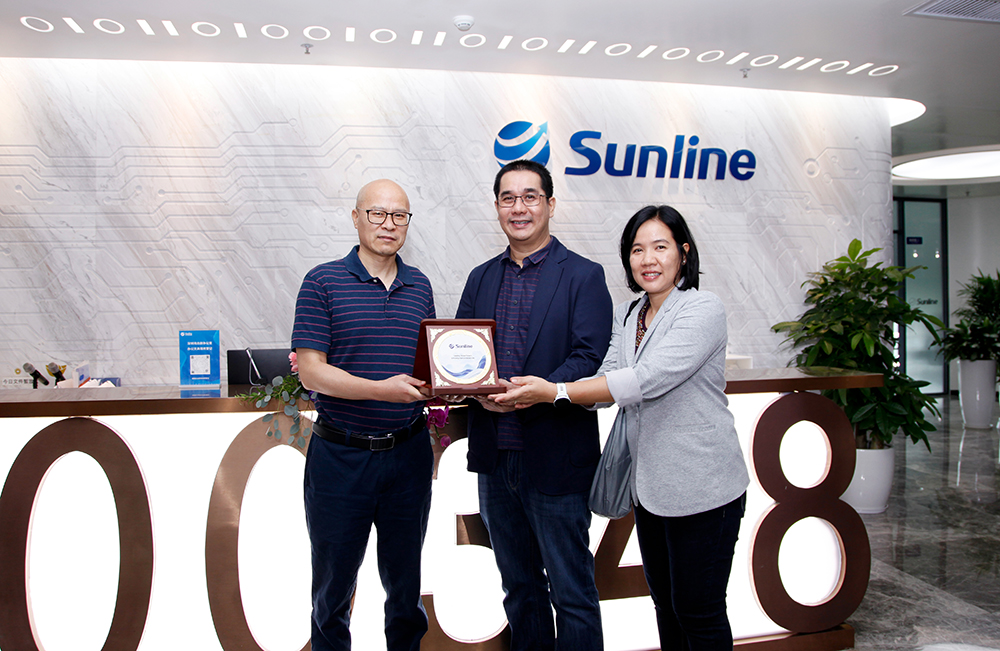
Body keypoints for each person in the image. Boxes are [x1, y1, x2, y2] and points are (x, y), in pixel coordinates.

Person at [496, 205, 750, 651]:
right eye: (637, 250)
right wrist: (538, 388)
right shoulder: (630, 314)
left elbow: (643, 380)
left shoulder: (702, 308)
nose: (648, 259)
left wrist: (554, 391)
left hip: (704, 487)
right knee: (666, 605)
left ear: (684, 253)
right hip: (650, 488)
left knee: (699, 611)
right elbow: (606, 382)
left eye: (660, 247)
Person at [456, 159, 613, 651]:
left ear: (550, 204)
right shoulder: (481, 277)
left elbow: (589, 356)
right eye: (508, 198)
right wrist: (467, 388)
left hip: (556, 457)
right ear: (496, 206)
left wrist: (538, 389)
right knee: (520, 591)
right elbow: (461, 352)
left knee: (572, 593)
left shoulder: (584, 275)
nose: (519, 208)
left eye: (530, 197)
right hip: (495, 457)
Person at [292, 179, 435, 651]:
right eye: (377, 213)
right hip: (341, 458)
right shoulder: (322, 281)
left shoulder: (420, 286)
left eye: (399, 215)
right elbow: (311, 371)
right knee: (332, 593)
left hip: (408, 456)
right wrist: (381, 391)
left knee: (406, 592)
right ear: (356, 218)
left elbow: (427, 367)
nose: (388, 224)